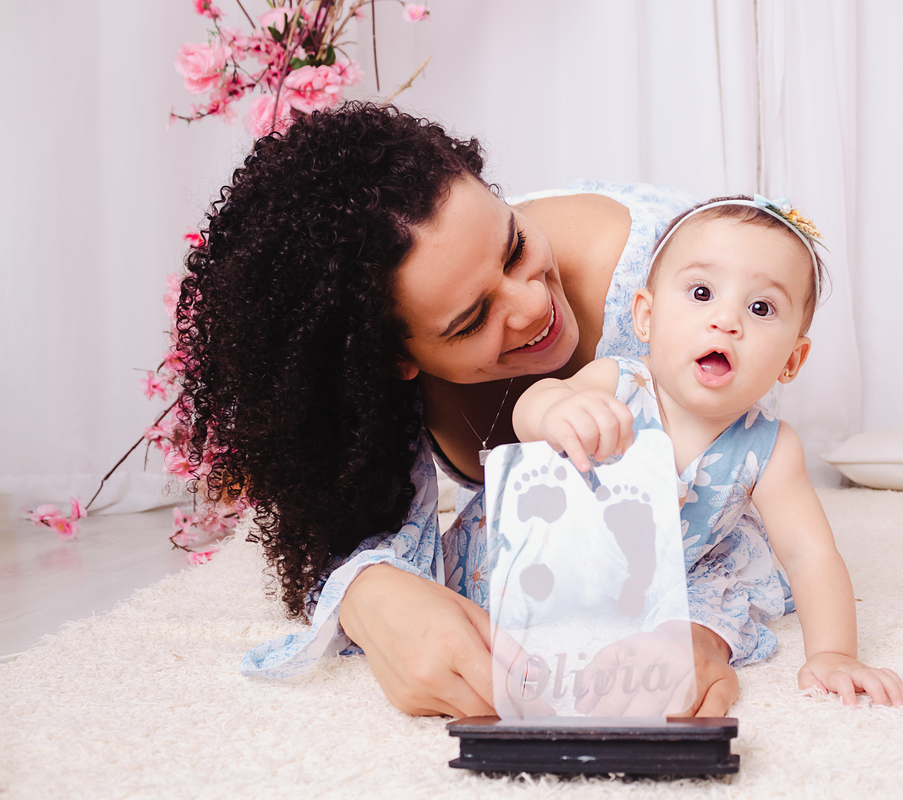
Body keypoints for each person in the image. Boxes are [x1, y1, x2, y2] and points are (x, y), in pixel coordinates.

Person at [173, 102, 781, 717]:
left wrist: (700, 629)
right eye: (472, 320)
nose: (532, 305)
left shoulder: (681, 300)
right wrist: (372, 594)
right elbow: (340, 520)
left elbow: (727, 503)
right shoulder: (386, 357)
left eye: (515, 247)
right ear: (394, 363)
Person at [512, 196, 903, 706]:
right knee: (498, 607)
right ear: (646, 317)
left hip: (681, 569)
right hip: (567, 555)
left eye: (760, 307)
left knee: (715, 607)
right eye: (701, 292)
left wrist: (835, 653)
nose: (726, 320)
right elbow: (532, 410)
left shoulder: (770, 446)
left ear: (792, 358)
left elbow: (809, 552)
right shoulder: (618, 381)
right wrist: (554, 413)